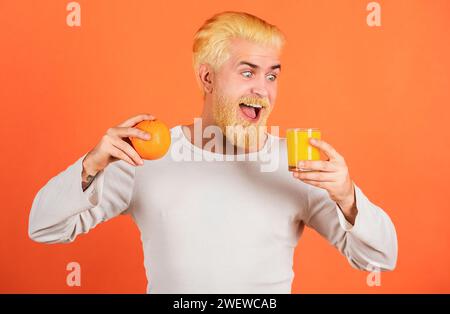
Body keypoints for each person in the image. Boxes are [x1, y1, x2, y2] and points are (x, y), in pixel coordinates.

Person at [28, 11, 397, 293]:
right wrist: (90, 165)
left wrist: (348, 197)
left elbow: (379, 259)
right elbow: (44, 228)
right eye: (247, 72)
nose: (263, 90)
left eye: (272, 75)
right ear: (207, 78)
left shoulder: (297, 164)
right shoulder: (146, 158)